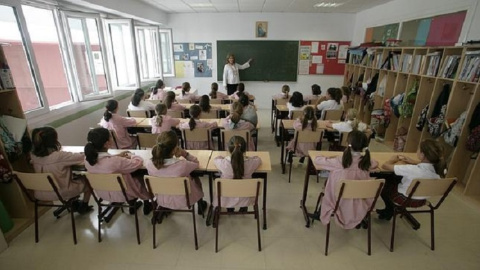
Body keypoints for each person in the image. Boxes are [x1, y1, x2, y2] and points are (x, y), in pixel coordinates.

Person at [312, 130, 378, 229]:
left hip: (338, 201)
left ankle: (320, 213)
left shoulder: (340, 161)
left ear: (347, 144)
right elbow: (375, 163)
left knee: (328, 185)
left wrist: (327, 156)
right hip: (360, 202)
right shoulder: (366, 162)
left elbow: (317, 160)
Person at [84, 128, 152, 215]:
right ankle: (146, 202)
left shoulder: (87, 160)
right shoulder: (114, 162)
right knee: (142, 174)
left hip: (102, 193)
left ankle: (132, 204)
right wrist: (132, 155)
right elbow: (138, 162)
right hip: (124, 193)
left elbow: (104, 161)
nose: (112, 138)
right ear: (106, 144)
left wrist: (117, 156)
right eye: (111, 137)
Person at [377, 139, 446, 221]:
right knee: (397, 177)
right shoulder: (440, 170)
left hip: (403, 199)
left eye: (418, 149)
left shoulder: (411, 169)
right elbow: (426, 168)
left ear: (422, 155)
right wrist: (414, 162)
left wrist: (392, 160)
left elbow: (385, 166)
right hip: (421, 200)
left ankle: (389, 210)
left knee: (382, 180)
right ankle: (389, 211)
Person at [30, 127, 92, 214]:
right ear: (54, 141)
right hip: (61, 192)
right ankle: (84, 206)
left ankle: (74, 202)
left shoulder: (33, 156)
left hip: (40, 193)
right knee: (87, 181)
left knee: (69, 177)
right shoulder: (59, 156)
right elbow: (82, 157)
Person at [145, 130, 207, 216]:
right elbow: (196, 163)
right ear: (174, 150)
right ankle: (200, 204)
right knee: (195, 177)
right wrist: (184, 153)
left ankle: (164, 207)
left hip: (162, 199)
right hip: (184, 200)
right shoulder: (182, 165)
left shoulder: (149, 164)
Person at [213, 136, 261, 212]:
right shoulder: (251, 163)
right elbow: (258, 159)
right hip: (246, 197)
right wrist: (249, 157)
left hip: (226, 197)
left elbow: (215, 159)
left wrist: (222, 157)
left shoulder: (223, 163)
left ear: (228, 149)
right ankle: (243, 207)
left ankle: (230, 208)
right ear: (245, 149)